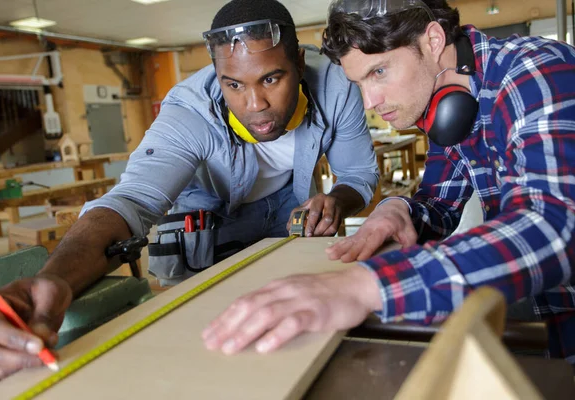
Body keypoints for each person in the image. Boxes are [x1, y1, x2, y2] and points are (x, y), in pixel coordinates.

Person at [0, 0, 378, 380]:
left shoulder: (336, 85)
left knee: (296, 336)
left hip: (292, 208)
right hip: (210, 220)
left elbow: (357, 174)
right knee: (205, 348)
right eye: (233, 84)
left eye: (271, 78)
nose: (254, 103)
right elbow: (131, 201)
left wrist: (337, 201)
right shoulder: (189, 111)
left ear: (300, 63)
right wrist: (56, 279)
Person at [202, 0, 575, 367]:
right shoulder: (452, 96)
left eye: (379, 72)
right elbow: (439, 205)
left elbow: (554, 227)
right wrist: (397, 209)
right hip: (552, 319)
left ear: (431, 40)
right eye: (359, 82)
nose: (370, 101)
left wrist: (364, 287)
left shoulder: (535, 70)